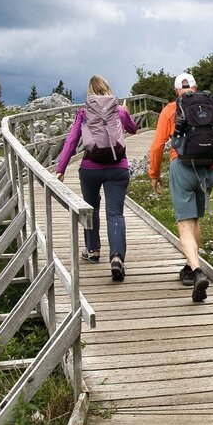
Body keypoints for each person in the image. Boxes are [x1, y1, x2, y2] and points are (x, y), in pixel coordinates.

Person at [148, 72, 213, 302]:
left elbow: (157, 145)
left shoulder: (170, 110)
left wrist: (154, 174)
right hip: (208, 169)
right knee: (196, 220)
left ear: (176, 90)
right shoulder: (211, 108)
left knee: (185, 225)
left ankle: (196, 271)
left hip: (182, 167)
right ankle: (190, 267)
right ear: (196, 88)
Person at [56, 75, 138, 281]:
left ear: (90, 91)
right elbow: (133, 129)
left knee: (90, 208)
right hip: (118, 168)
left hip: (90, 168)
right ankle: (117, 257)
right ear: (108, 89)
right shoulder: (118, 110)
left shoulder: (84, 112)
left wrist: (61, 168)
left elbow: (72, 140)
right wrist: (126, 113)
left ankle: (92, 250)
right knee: (115, 214)